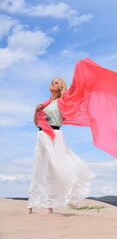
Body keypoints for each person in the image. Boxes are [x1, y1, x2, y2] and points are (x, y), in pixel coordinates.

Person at [26, 78, 96, 215]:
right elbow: (37, 123)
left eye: (57, 83)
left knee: (51, 170)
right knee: (38, 170)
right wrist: (36, 111)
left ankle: (49, 206)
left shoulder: (62, 102)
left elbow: (77, 98)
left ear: (60, 89)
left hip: (54, 134)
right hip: (41, 135)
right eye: (52, 81)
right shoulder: (45, 104)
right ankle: (30, 205)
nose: (53, 83)